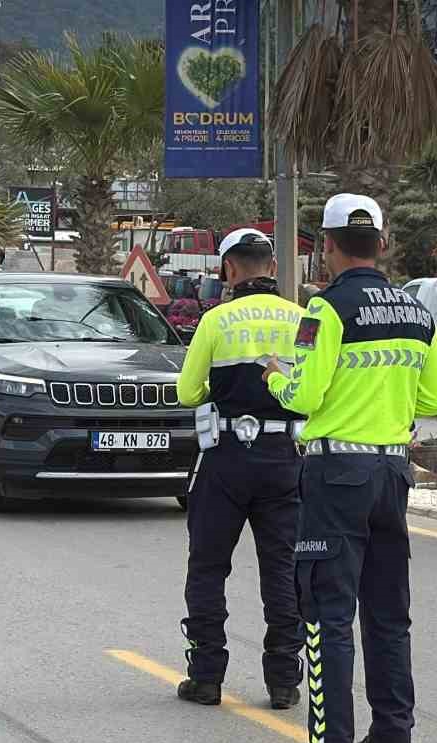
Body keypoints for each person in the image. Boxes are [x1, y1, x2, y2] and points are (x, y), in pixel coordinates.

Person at [262, 194, 437, 743]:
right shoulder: (418, 313)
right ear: (383, 244)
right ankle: (393, 740)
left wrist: (273, 373)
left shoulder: (325, 309)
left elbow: (304, 396)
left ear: (327, 246)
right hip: (393, 474)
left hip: (336, 473)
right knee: (389, 613)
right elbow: (431, 401)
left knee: (325, 612)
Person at [174, 229, 307, 711]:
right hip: (285, 459)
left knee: (208, 565)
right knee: (283, 568)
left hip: (226, 456)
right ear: (272, 266)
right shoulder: (302, 319)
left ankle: (206, 675)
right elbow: (314, 390)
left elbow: (188, 394)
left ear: (228, 269)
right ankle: (283, 682)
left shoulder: (216, 320)